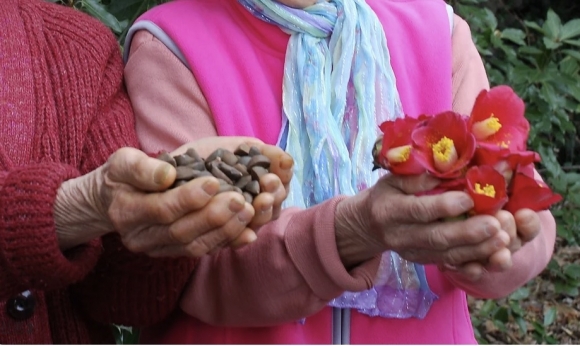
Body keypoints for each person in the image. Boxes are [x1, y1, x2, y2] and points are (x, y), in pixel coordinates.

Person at [122, 0, 556, 343]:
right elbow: (188, 270)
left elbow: (523, 202)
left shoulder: (437, 31)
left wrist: (489, 242)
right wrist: (353, 230)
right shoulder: (171, 45)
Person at [0, 0, 292, 343]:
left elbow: (126, 302)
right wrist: (75, 208)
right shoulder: (168, 40)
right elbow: (95, 200)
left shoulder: (79, 46)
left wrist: (161, 222)